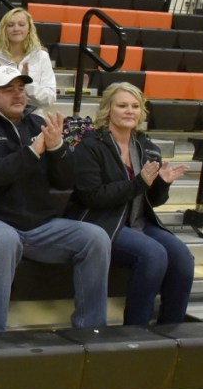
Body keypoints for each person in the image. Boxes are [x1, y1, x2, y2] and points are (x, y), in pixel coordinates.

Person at [0, 65, 110, 334]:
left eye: (21, 89)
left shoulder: (38, 125)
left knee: (95, 237)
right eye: (8, 90)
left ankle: (90, 329)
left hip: (38, 226)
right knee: (4, 239)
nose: (18, 95)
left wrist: (57, 148)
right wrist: (32, 151)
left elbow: (64, 182)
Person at [67, 82, 192, 326]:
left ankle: (171, 330)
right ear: (108, 109)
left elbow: (151, 200)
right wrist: (139, 183)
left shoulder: (146, 147)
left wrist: (162, 184)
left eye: (135, 106)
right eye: (122, 105)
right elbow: (92, 196)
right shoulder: (91, 145)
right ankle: (136, 330)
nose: (129, 111)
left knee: (183, 258)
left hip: (138, 222)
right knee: (153, 254)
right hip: (103, 224)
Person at [0, 8, 56, 108]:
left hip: (32, 115)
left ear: (29, 28)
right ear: (4, 29)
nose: (16, 29)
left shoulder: (41, 56)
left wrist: (27, 85)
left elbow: (50, 98)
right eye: (10, 25)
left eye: (21, 25)